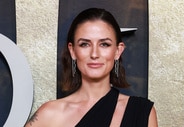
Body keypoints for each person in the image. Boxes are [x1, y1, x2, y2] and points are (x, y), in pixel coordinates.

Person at [25, 8, 158, 127]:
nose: (94, 54)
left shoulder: (142, 112)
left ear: (118, 51)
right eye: (84, 44)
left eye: (104, 44)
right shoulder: (49, 114)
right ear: (72, 51)